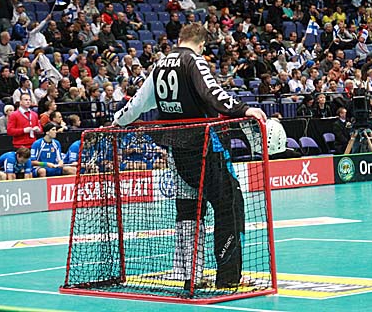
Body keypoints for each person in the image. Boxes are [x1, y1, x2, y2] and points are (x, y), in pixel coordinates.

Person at [113, 23, 266, 290]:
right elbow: (212, 92)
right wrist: (243, 109)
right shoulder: (194, 61)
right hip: (203, 147)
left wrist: (117, 121)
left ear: (180, 39)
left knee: (188, 208)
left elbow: (137, 104)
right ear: (201, 44)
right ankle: (228, 277)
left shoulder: (160, 65)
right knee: (228, 203)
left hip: (176, 150)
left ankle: (190, 275)